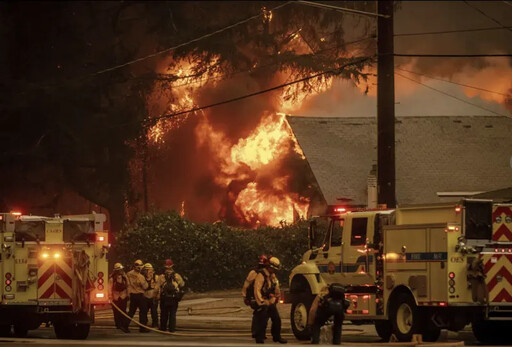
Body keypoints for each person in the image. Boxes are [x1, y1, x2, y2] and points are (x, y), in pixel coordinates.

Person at [253, 256, 287, 344]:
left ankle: (277, 337)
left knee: (276, 319)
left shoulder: (272, 276)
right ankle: (259, 338)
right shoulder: (261, 275)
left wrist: (276, 297)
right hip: (261, 301)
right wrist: (261, 302)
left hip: (269, 301)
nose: (274, 271)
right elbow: (257, 290)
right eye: (273, 269)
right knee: (262, 319)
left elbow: (276, 288)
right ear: (269, 267)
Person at [242, 254, 268, 338]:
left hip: (261, 297)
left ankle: (260, 332)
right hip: (254, 297)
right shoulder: (254, 273)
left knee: (262, 314)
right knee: (258, 313)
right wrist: (245, 297)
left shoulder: (267, 274)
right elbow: (247, 285)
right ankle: (257, 332)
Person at [157, 259, 185, 332]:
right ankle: (172, 329)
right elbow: (182, 284)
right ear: (172, 266)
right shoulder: (177, 276)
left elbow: (157, 288)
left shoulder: (161, 277)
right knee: (172, 314)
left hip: (164, 298)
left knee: (163, 314)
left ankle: (163, 328)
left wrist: (156, 297)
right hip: (173, 298)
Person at [127, 259, 149, 332]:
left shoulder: (129, 274)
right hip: (139, 295)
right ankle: (142, 327)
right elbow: (145, 286)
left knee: (131, 312)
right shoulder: (140, 277)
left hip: (132, 295)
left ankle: (124, 325)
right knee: (143, 311)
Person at [108, 263, 130, 333]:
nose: (121, 271)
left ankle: (123, 324)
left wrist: (128, 295)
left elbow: (128, 285)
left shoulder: (124, 278)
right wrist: (110, 296)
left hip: (123, 297)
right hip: (116, 298)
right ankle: (118, 324)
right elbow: (109, 288)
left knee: (123, 311)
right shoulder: (112, 279)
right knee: (116, 312)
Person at [141, 263, 159, 328]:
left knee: (154, 312)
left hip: (153, 298)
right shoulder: (142, 278)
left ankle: (155, 324)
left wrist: (157, 296)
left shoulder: (156, 277)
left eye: (150, 270)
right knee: (144, 312)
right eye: (147, 270)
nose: (149, 272)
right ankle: (143, 325)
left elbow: (158, 287)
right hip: (145, 297)